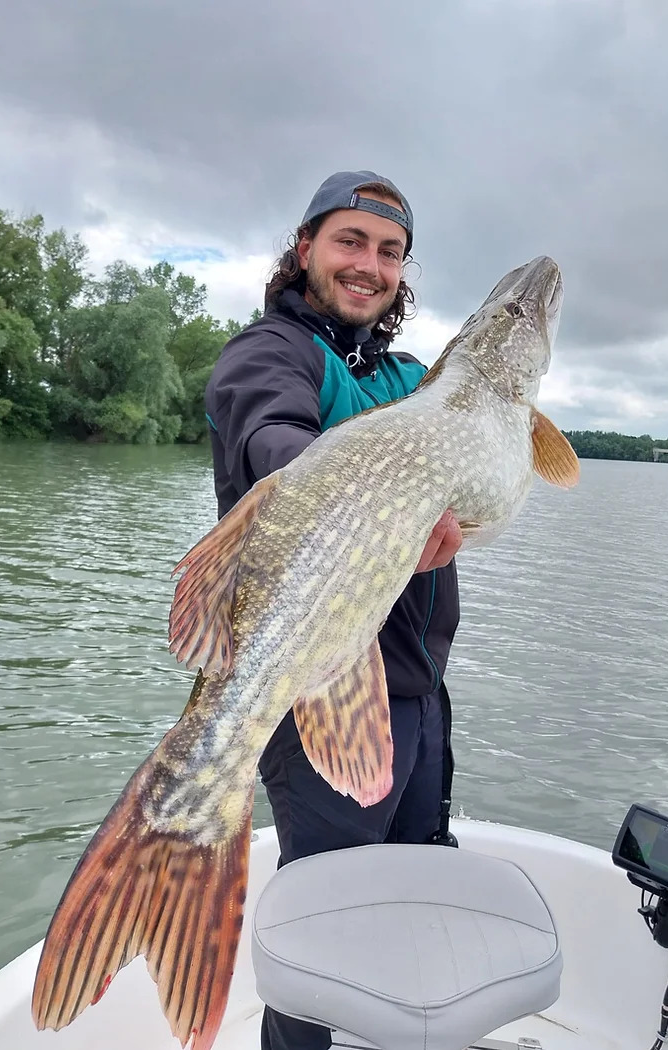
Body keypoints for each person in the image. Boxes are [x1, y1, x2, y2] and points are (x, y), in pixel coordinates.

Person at [204, 170, 462, 1050]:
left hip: (419, 699)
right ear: (306, 246)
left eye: (390, 251)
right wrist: (358, 497)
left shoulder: (412, 381)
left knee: (414, 894)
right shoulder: (269, 353)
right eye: (351, 241)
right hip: (312, 689)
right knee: (323, 935)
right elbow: (272, 437)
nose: (370, 264)